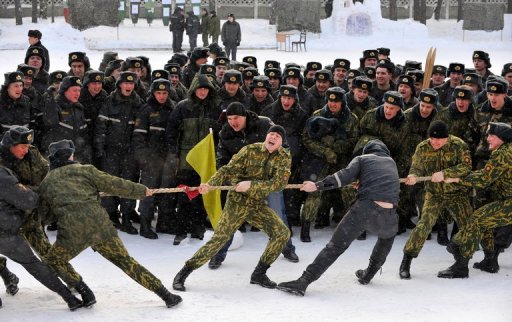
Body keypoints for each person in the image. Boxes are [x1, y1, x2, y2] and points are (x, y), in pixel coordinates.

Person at [38, 139, 182, 308]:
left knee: (54, 261)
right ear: (71, 155)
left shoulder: (46, 183)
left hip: (72, 232)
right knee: (125, 261)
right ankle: (166, 295)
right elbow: (114, 184)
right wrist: (141, 191)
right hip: (100, 227)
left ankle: (83, 290)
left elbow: (45, 216)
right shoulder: (86, 170)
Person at [172, 125, 292, 291]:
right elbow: (227, 170)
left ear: (281, 142)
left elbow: (279, 184)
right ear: (266, 136)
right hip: (237, 202)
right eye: (271, 134)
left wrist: (251, 185)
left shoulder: (284, 157)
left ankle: (259, 274)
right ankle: (184, 272)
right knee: (219, 240)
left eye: (277, 136)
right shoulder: (249, 150)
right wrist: (210, 184)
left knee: (282, 233)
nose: (273, 137)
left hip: (256, 204)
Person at [277, 139, 400, 296]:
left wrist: (317, 185)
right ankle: (368, 274)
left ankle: (303, 281)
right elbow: (382, 183)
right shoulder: (391, 162)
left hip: (366, 208)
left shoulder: (362, 159)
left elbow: (342, 177)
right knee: (384, 242)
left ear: (367, 151)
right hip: (390, 213)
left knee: (335, 247)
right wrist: (362, 182)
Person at [0, 157, 82, 311]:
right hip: (4, 234)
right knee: (33, 264)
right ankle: (69, 298)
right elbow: (29, 200)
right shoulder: (2, 176)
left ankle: (8, 279)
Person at [399, 120, 473, 279]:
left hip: (457, 194)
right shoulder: (423, 147)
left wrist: (445, 174)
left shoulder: (459, 145)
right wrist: (413, 176)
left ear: (447, 138)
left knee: (468, 225)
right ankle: (407, 260)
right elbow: (416, 167)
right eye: (432, 139)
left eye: (439, 139)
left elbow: (466, 168)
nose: (435, 142)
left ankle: (463, 263)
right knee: (423, 225)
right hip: (434, 194)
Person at [438, 122, 512, 278]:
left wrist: (457, 178)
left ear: (502, 138)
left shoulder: (502, 154)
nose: (488, 139)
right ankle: (490, 261)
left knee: (476, 220)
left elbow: (484, 178)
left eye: (492, 135)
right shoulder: (507, 150)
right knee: (484, 221)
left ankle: (461, 266)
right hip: (507, 200)